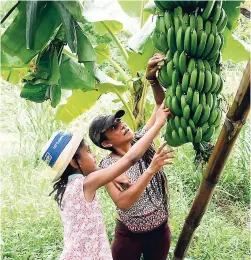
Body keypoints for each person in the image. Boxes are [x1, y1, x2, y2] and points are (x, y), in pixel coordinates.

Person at [41, 104, 173, 260]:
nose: (93, 155)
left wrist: (112, 175)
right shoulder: (88, 183)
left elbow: (96, 172)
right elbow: (130, 159)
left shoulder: (69, 186)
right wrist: (158, 124)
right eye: (88, 151)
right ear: (74, 163)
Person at [89, 53, 172, 260]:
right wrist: (151, 169)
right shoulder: (107, 166)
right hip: (130, 237)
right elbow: (123, 202)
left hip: (160, 231)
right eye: (114, 127)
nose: (122, 125)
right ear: (106, 143)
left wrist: (152, 80)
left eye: (120, 121)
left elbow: (161, 105)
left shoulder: (141, 140)